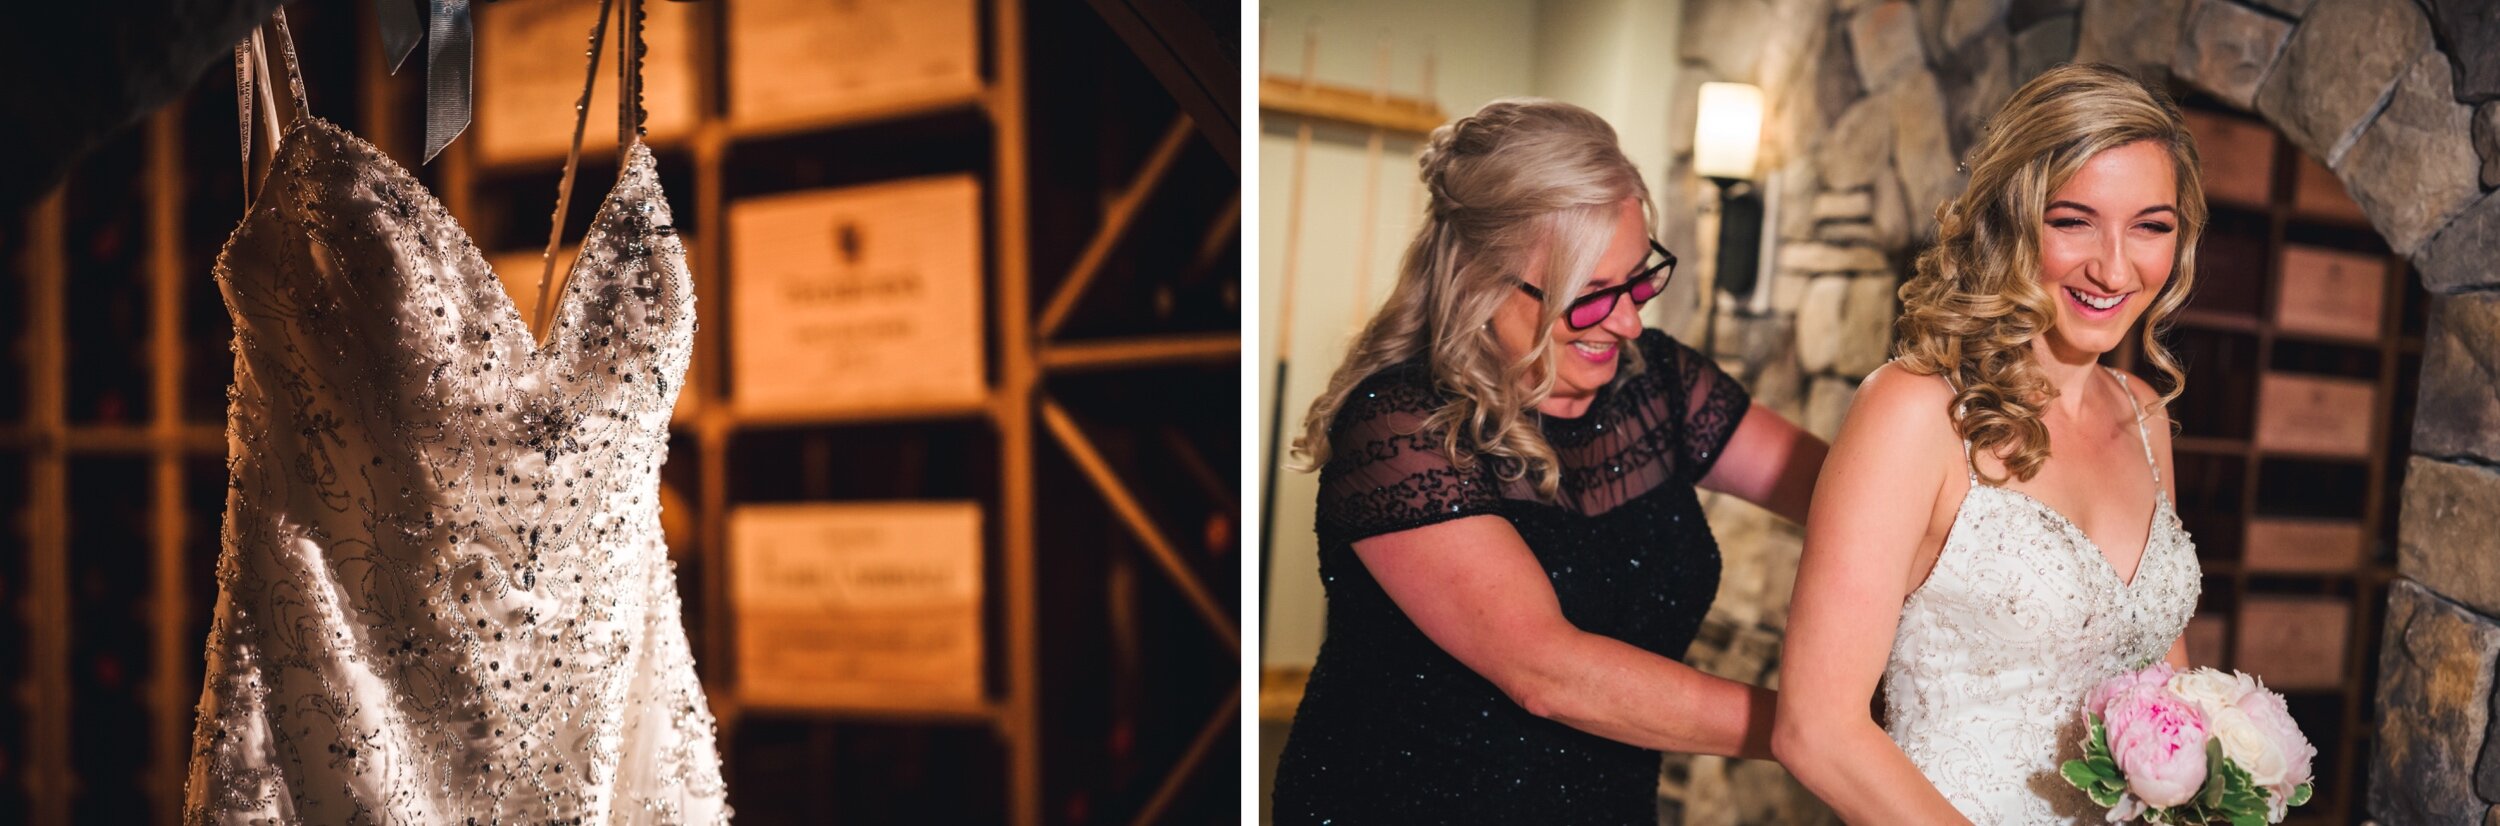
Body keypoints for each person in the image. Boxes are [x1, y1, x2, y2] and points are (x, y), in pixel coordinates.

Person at [1268, 98, 1826, 824]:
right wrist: (1815, 729)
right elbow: (1549, 673)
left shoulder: (1658, 381)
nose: (1628, 322)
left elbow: (1848, 496)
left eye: (1639, 279)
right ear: (1481, 278)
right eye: (1588, 297)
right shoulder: (1401, 424)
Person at [1773, 63, 2207, 823]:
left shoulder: (2142, 414)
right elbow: (1818, 730)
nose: (2114, 266)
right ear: (2010, 220)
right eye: (2073, 221)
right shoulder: (1915, 412)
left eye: (2151, 226)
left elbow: (2159, 680)